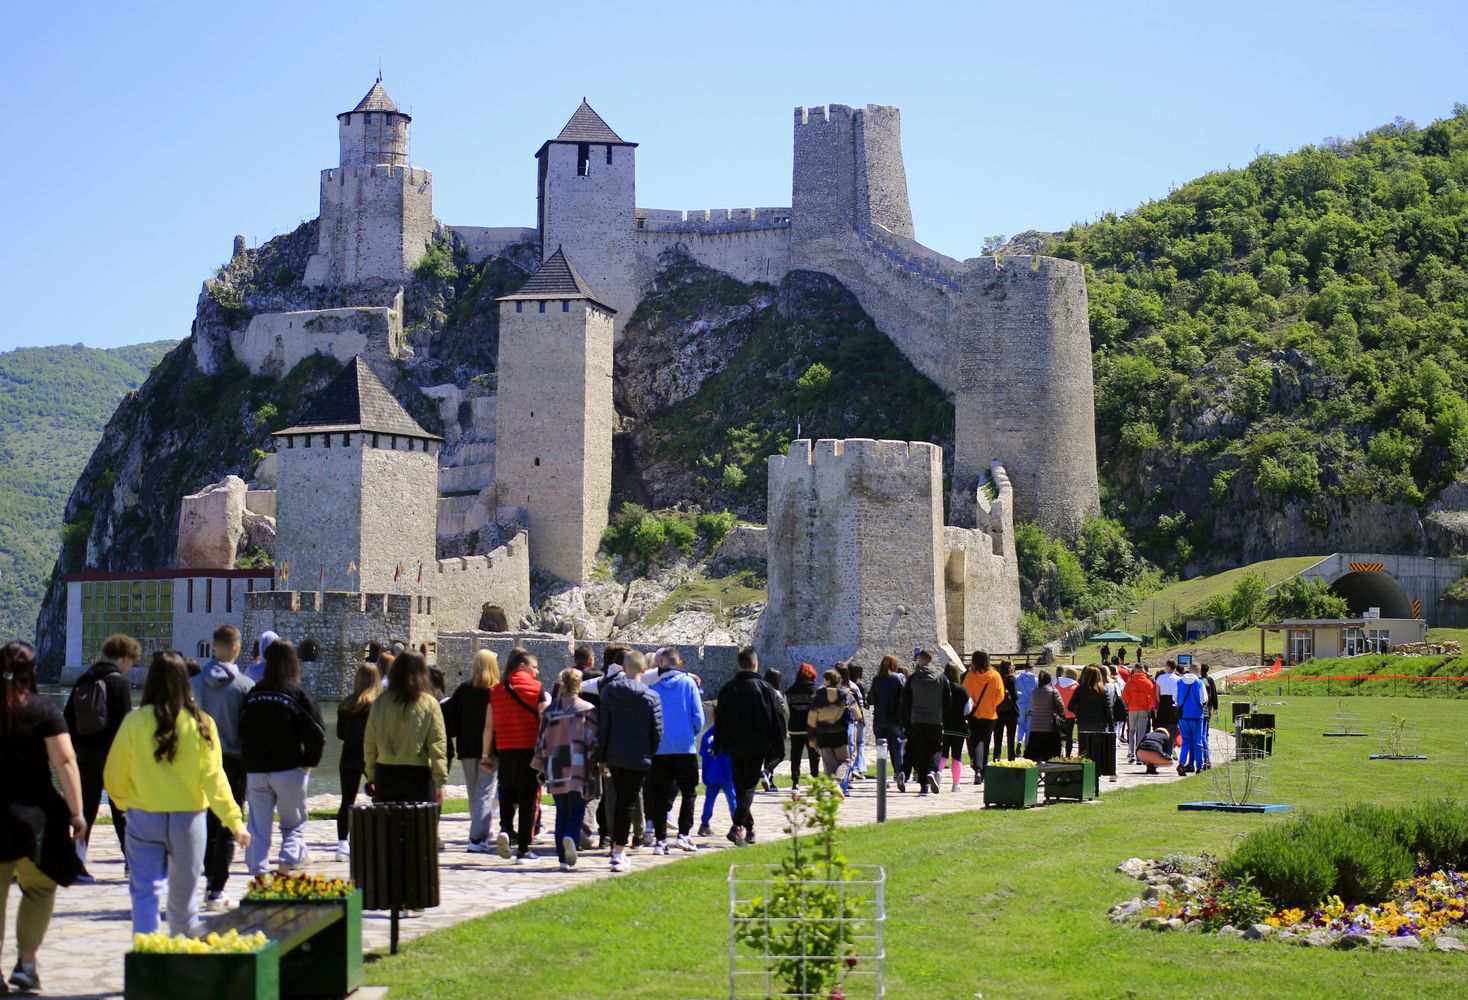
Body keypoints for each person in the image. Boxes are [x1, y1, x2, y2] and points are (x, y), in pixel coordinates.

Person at [103, 651, 248, 938]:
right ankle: (181, 967)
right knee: (184, 904)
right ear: (186, 683)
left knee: (145, 894)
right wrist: (234, 822)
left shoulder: (134, 722)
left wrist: (123, 804)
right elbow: (215, 779)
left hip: (144, 817)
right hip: (188, 820)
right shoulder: (203, 724)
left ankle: (147, 958)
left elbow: (114, 773)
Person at [1, 641, 86, 993]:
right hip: (34, 820)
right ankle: (27, 962)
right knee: (39, 888)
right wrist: (77, 811)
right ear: (31, 671)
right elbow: (65, 761)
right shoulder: (43, 709)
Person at [238, 639, 324, 875]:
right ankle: (286, 867)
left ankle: (259, 877)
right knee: (292, 827)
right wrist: (309, 762)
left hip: (256, 772)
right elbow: (317, 732)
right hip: (289, 769)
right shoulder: (297, 694)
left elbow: (242, 730)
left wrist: (249, 762)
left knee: (258, 828)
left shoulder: (254, 694)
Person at [190, 624, 253, 910]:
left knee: (204, 820)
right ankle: (217, 888)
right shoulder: (244, 686)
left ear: (213, 647)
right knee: (229, 821)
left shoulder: (194, 684)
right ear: (236, 648)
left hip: (200, 759)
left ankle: (207, 873)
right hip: (234, 761)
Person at [63, 632, 137, 871]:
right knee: (122, 810)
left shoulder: (84, 678)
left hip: (86, 756)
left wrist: (79, 747)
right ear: (125, 657)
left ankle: (76, 862)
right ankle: (131, 861)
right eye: (131, 661)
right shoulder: (119, 682)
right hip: (114, 757)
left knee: (86, 810)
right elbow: (126, 723)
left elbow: (67, 717)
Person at [712, 648, 786, 846]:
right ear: (756, 664)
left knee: (741, 787)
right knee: (748, 788)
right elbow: (774, 720)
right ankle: (738, 827)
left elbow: (720, 720)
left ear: (738, 664)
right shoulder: (765, 689)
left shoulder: (728, 689)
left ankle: (749, 828)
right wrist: (778, 747)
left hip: (733, 745)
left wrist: (717, 743)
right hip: (756, 745)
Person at [597, 651, 662, 872]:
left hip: (615, 755)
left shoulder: (609, 692)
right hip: (638, 756)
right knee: (628, 802)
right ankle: (618, 851)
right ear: (644, 669)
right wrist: (650, 754)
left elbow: (603, 727)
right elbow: (657, 731)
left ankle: (616, 847)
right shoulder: (651, 697)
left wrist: (602, 757)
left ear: (624, 668)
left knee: (618, 802)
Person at [531, 667, 598, 871]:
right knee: (577, 809)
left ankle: (562, 858)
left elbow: (542, 742)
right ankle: (571, 836)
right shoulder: (587, 709)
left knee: (562, 811)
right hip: (578, 765)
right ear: (579, 686)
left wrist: (538, 766)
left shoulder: (550, 711)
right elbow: (593, 740)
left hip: (555, 766)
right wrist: (598, 763)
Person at [482, 649, 545, 862]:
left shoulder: (496, 690)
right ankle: (524, 849)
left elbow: (489, 726)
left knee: (506, 794)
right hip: (530, 751)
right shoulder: (537, 690)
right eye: (534, 667)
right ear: (522, 666)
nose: (537, 672)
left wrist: (485, 754)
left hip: (505, 750)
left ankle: (506, 830)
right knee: (528, 799)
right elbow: (545, 722)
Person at [648, 649, 705, 854]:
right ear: (679, 663)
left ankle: (660, 840)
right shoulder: (689, 683)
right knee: (689, 792)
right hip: (685, 747)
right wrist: (691, 733)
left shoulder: (653, 684)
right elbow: (698, 717)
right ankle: (683, 834)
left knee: (660, 795)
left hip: (660, 748)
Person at [443, 650, 498, 853]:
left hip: (466, 749)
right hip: (490, 750)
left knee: (473, 793)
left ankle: (485, 832)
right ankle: (476, 838)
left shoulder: (463, 691)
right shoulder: (496, 691)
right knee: (484, 793)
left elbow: (450, 721)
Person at [333, 662, 379, 862]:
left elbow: (340, 734)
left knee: (347, 801)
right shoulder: (378, 705)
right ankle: (377, 837)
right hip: (373, 756)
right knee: (380, 798)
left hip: (349, 755)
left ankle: (343, 843)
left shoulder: (345, 705)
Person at [898, 650, 950, 796]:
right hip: (935, 719)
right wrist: (940, 712)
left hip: (917, 720)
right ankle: (932, 771)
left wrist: (908, 720)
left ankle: (923, 785)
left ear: (920, 660)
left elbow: (906, 702)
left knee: (920, 751)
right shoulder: (941, 678)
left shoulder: (913, 678)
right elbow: (947, 700)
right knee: (936, 749)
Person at [807, 669, 859, 795]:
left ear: (828, 680)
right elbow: (857, 713)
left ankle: (832, 789)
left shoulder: (818, 696)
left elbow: (812, 718)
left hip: (822, 733)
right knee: (845, 761)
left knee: (828, 763)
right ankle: (836, 782)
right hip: (839, 733)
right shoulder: (845, 694)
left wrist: (812, 739)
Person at [961, 651, 1004, 784]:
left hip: (974, 715)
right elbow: (1000, 695)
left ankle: (978, 770)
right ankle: (983, 770)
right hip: (990, 714)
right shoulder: (995, 676)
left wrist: (974, 706)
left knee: (977, 742)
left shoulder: (970, 676)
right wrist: (991, 704)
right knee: (986, 741)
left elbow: (965, 695)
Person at [1069, 665, 1117, 781]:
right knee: (1097, 749)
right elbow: (1108, 709)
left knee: (1083, 749)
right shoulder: (1102, 690)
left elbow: (1070, 706)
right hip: (1098, 724)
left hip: (1083, 723)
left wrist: (1079, 712)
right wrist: (1111, 725)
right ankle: (1096, 774)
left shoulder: (1080, 689)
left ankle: (1084, 773)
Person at [867, 655, 907, 793]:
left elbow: (871, 699)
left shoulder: (876, 680)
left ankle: (882, 778)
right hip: (895, 719)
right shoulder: (899, 678)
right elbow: (904, 698)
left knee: (881, 750)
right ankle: (899, 774)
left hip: (879, 719)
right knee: (897, 750)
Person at [697, 717, 736, 838]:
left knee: (709, 800)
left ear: (713, 717)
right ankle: (737, 824)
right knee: (732, 799)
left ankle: (704, 824)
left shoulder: (707, 734)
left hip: (711, 773)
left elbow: (703, 754)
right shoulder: (729, 734)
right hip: (726, 773)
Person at [784, 663, 819, 788]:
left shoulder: (789, 692)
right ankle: (815, 781)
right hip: (811, 728)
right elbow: (818, 710)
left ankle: (795, 783)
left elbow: (787, 711)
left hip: (795, 728)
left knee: (795, 756)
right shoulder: (815, 691)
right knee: (814, 755)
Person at [940, 664, 973, 792]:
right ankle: (955, 784)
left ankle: (937, 773)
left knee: (943, 753)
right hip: (958, 726)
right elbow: (968, 708)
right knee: (956, 755)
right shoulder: (962, 690)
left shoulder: (942, 688)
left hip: (944, 725)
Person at [1174, 664, 1210, 776]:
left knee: (1186, 742)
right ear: (1198, 672)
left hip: (1183, 716)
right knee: (1197, 742)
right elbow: (1203, 700)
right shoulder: (1199, 683)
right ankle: (1199, 766)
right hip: (1196, 715)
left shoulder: (1179, 682)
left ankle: (1181, 763)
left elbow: (1174, 698)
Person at [1023, 670, 1067, 762]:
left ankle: (1037, 774)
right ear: (1049, 679)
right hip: (1050, 727)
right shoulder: (1053, 691)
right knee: (1050, 756)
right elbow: (1061, 707)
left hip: (1035, 727)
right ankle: (1048, 775)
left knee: (1036, 756)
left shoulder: (1034, 691)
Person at [759, 668, 789, 791]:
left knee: (768, 754)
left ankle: (769, 782)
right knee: (780, 754)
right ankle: (767, 772)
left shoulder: (760, 691)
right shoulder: (775, 693)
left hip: (762, 726)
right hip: (776, 726)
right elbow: (782, 709)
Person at [1121, 665, 1157, 764]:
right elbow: (1152, 697)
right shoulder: (1147, 682)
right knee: (1141, 732)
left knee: (1131, 731)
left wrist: (1128, 704)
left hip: (1132, 709)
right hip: (1143, 709)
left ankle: (1131, 753)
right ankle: (1139, 756)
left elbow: (1124, 696)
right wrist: (1149, 706)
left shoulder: (1130, 682)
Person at [991, 660, 1020, 762]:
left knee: (997, 737)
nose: (1014, 667)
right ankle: (1011, 759)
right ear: (1008, 667)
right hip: (1011, 711)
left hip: (999, 710)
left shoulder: (997, 678)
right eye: (1012, 665)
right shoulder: (1011, 679)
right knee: (1010, 737)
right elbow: (1015, 696)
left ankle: (996, 758)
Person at [846, 664, 869, 779]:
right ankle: (858, 767)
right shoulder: (859, 686)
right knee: (860, 743)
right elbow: (864, 703)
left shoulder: (847, 686)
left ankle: (851, 768)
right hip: (859, 717)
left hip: (849, 718)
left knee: (850, 745)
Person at [1154, 660, 1180, 747]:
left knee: (1162, 727)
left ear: (1168, 667)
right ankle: (1171, 747)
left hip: (1163, 702)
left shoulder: (1160, 678)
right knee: (1172, 728)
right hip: (1173, 703)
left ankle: (1163, 747)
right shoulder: (1178, 679)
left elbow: (1157, 694)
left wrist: (1161, 701)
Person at [1055, 666, 1079, 757]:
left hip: (1058, 712)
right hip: (1070, 714)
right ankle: (1068, 755)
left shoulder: (1057, 683)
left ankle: (1058, 754)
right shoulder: (1075, 686)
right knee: (1069, 736)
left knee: (1058, 735)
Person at [1013, 660, 1038, 748]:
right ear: (1032, 668)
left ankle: (1019, 739)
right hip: (1031, 704)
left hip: (1020, 703)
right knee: (1029, 725)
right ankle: (1027, 745)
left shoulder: (1017, 678)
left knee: (1020, 723)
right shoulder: (1035, 679)